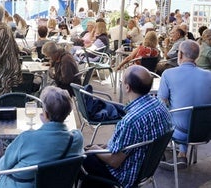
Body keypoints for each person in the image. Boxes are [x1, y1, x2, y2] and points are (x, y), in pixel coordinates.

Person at [81, 65, 172, 188]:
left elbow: (114, 161)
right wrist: (106, 146)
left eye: (122, 80)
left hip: (125, 175)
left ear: (127, 87)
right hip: (145, 168)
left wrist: (95, 148)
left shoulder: (131, 120)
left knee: (80, 160)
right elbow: (131, 142)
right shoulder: (161, 106)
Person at [0, 86, 84, 188]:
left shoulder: (26, 138)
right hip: (56, 185)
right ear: (68, 113)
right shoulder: (76, 139)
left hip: (21, 185)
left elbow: (4, 166)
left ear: (45, 114)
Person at [158, 39, 211, 169]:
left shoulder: (168, 74)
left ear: (180, 55)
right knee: (188, 109)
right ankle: (182, 154)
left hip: (178, 132)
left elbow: (161, 104)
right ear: (197, 57)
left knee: (162, 112)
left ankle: (158, 153)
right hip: (204, 132)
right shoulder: (209, 76)